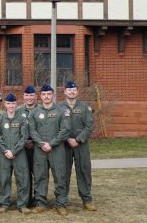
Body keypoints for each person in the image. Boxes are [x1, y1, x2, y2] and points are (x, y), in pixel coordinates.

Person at [29, 84, 71, 216]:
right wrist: (41, 144)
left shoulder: (62, 110)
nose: (46, 97)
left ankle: (61, 203)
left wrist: (51, 144)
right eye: (44, 94)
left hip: (57, 149)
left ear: (53, 95)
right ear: (40, 96)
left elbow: (65, 130)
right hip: (40, 150)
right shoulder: (34, 112)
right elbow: (32, 130)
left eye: (49, 94)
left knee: (60, 176)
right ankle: (41, 203)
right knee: (40, 176)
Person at [0, 93, 32, 214]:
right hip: (4, 154)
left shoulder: (22, 119)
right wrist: (6, 150)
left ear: (16, 104)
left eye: (13, 103)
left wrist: (14, 151)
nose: (11, 105)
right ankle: (4, 203)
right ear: (5, 104)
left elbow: (24, 137)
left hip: (19, 153)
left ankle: (22, 204)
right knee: (4, 179)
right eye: (8, 103)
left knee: (22, 178)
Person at [61, 81, 96, 211]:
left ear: (77, 92)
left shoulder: (84, 108)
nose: (71, 92)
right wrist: (67, 139)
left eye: (74, 90)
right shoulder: (59, 108)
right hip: (64, 145)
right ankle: (62, 199)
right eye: (69, 90)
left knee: (84, 170)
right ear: (64, 92)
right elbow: (57, 127)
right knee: (63, 172)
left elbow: (89, 126)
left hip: (81, 145)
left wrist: (78, 139)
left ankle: (87, 199)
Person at [18, 85, 37, 207]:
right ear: (23, 97)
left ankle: (38, 198)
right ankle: (27, 198)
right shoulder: (18, 111)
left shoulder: (40, 110)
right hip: (23, 147)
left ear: (35, 97)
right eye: (27, 95)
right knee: (25, 174)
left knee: (39, 173)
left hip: (37, 147)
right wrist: (24, 142)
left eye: (31, 95)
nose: (29, 98)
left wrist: (34, 142)